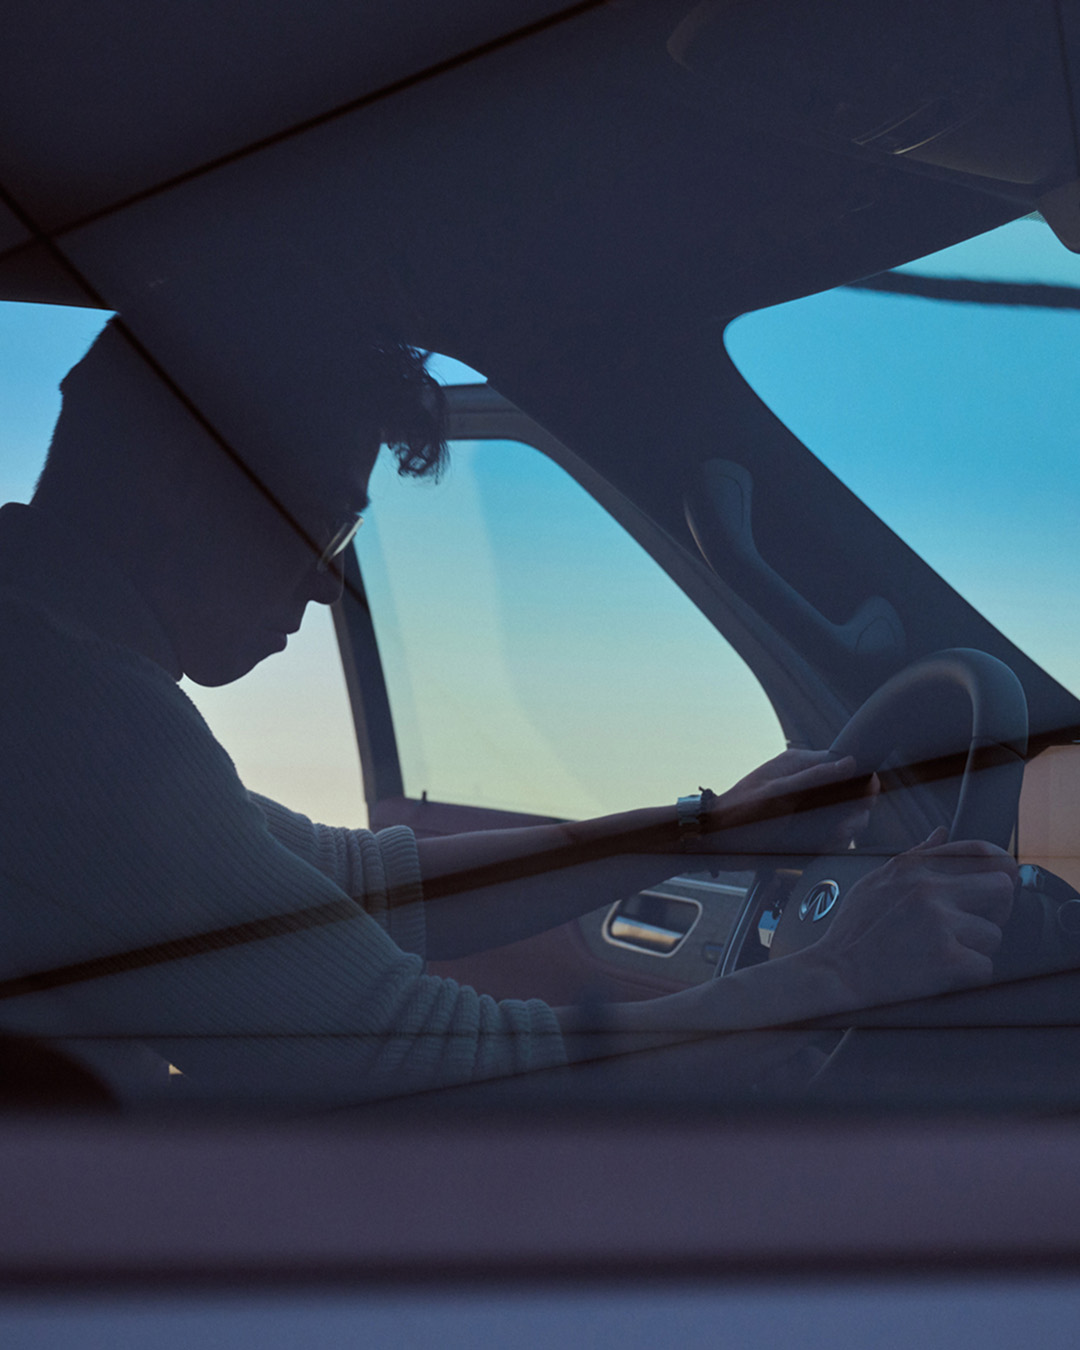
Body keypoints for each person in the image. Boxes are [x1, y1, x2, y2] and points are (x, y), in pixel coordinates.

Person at [0, 320, 1017, 1108]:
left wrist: (707, 830)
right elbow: (429, 1062)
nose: (327, 590)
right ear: (189, 483)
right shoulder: (73, 717)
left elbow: (356, 883)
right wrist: (839, 975)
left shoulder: (47, 665)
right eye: (331, 521)